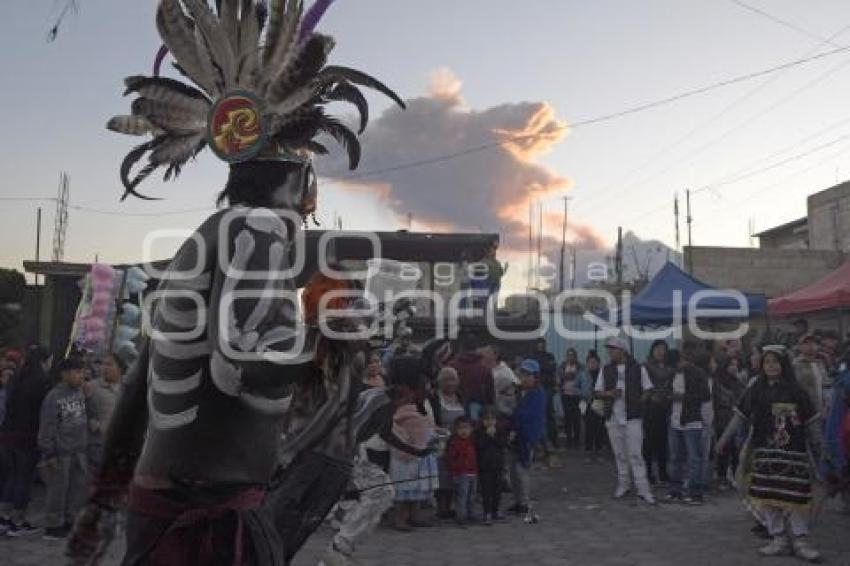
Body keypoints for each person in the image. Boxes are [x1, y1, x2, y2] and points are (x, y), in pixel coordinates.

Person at [67, 2, 407, 564]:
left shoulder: (208, 239)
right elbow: (244, 360)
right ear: (304, 178)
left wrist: (101, 502)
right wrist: (335, 335)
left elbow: (139, 389)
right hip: (206, 515)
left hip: (170, 502)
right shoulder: (257, 225)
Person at [717, 348, 823, 562]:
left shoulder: (796, 391)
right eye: (767, 362)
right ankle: (779, 539)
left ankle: (801, 541)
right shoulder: (755, 389)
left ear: (784, 364)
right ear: (762, 366)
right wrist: (722, 441)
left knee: (796, 497)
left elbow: (811, 423)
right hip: (764, 453)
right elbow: (739, 417)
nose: (771, 366)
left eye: (775, 362)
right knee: (768, 497)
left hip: (793, 454)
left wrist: (820, 448)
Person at [594, 337, 656, 504]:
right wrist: (610, 394)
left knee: (635, 454)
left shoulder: (637, 368)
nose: (610, 352)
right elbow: (597, 392)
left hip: (632, 418)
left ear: (623, 351)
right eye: (609, 349)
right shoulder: (606, 369)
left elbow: (649, 388)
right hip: (613, 418)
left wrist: (640, 401)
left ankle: (643, 490)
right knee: (619, 454)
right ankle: (624, 485)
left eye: (613, 349)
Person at [0, 344, 52, 537]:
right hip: (28, 436)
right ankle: (17, 521)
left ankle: (4, 518)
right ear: (44, 360)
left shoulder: (15, 378)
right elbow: (45, 412)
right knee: (23, 478)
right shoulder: (42, 381)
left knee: (10, 476)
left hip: (7, 435)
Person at [38, 356, 89, 539]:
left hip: (79, 450)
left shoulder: (80, 392)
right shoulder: (54, 397)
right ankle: (53, 525)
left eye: (82, 372)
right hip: (60, 453)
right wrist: (48, 451)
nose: (81, 375)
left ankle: (69, 520)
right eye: (77, 372)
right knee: (58, 490)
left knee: (76, 489)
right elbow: (47, 426)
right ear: (64, 374)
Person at [389, 358, 438, 532]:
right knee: (404, 487)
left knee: (416, 487)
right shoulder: (403, 404)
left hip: (420, 451)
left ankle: (414, 514)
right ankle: (400, 518)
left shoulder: (422, 404)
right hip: (405, 453)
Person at [664, 349, 710, 505]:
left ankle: (695, 492)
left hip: (692, 421)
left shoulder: (698, 373)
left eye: (677, 363)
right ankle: (675, 490)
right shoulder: (672, 374)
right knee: (675, 458)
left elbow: (705, 395)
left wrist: (682, 398)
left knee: (694, 458)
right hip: (675, 420)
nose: (676, 367)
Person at [507, 359, 546, 516]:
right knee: (513, 471)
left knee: (522, 470)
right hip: (516, 435)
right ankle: (517, 501)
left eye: (528, 375)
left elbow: (528, 416)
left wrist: (516, 428)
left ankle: (524, 502)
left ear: (535, 377)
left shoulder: (538, 394)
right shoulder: (520, 391)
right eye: (522, 374)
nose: (524, 378)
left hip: (527, 436)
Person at [86, 353, 125, 470]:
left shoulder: (127, 388)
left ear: (120, 368)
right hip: (96, 446)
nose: (104, 368)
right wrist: (96, 426)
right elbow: (81, 413)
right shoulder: (91, 387)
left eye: (109, 364)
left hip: (119, 446)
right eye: (103, 364)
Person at [642, 340, 673, 485]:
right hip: (650, 407)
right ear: (652, 350)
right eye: (658, 349)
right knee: (649, 442)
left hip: (665, 407)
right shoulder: (646, 366)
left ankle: (663, 472)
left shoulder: (669, 367)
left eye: (663, 349)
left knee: (663, 442)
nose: (661, 352)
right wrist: (651, 397)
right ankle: (648, 473)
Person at [714, 356, 745, 489]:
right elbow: (722, 399)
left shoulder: (738, 382)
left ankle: (735, 476)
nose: (734, 367)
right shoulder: (718, 382)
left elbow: (742, 400)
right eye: (731, 364)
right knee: (724, 449)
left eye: (736, 365)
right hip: (722, 420)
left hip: (735, 420)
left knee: (736, 450)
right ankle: (721, 477)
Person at [474, 406, 507, 525]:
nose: (489, 422)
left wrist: (494, 436)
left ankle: (496, 510)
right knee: (486, 491)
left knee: (497, 490)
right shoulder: (478, 432)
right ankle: (487, 512)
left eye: (492, 419)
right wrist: (487, 436)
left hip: (497, 465)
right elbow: (479, 445)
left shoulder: (500, 431)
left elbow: (502, 444)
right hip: (484, 467)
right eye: (486, 419)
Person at [449, 338, 495, 422]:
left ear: (461, 348)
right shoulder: (484, 368)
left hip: (454, 406)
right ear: (476, 349)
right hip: (477, 408)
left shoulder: (452, 366)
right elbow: (490, 395)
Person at [446, 416, 477, 527]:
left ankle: (471, 514)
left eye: (466, 428)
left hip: (473, 472)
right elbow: (451, 459)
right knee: (462, 495)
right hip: (461, 473)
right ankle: (461, 516)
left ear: (471, 429)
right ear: (456, 429)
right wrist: (455, 471)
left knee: (472, 495)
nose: (464, 431)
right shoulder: (454, 443)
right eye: (461, 428)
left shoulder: (473, 441)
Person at [530, 339, 559, 451]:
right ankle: (538, 442)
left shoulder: (549, 356)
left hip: (547, 388)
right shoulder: (532, 357)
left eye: (543, 344)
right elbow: (533, 372)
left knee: (549, 414)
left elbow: (551, 369)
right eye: (539, 344)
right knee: (536, 415)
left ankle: (553, 441)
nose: (541, 346)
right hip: (536, 388)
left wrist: (541, 369)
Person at [557, 348, 589, 448]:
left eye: (572, 355)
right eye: (568, 355)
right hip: (565, 395)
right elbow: (559, 378)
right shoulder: (562, 366)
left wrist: (571, 376)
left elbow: (583, 379)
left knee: (576, 417)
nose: (570, 357)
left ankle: (576, 438)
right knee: (567, 417)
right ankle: (568, 438)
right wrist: (566, 377)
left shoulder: (580, 367)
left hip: (577, 395)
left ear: (575, 356)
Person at [793, 333, 828, 418]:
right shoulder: (795, 364)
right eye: (806, 343)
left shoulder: (820, 364)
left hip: (821, 410)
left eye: (813, 343)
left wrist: (826, 405)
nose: (810, 346)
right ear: (800, 347)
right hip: (804, 409)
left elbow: (826, 385)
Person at [583, 351, 607, 463]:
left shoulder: (603, 375)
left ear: (598, 363)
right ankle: (588, 452)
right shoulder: (583, 374)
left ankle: (598, 452)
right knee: (588, 429)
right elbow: (574, 387)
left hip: (600, 404)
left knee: (599, 429)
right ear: (587, 363)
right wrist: (583, 393)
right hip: (588, 404)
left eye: (595, 362)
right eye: (590, 362)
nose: (593, 364)